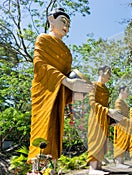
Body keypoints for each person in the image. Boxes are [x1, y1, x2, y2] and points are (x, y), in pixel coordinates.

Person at [28, 8, 92, 165]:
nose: (66, 27)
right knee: (44, 126)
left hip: (59, 94)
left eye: (69, 24)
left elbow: (69, 74)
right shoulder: (43, 39)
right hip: (45, 90)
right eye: (63, 21)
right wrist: (66, 81)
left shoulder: (67, 52)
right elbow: (40, 65)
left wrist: (79, 89)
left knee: (56, 130)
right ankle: (38, 172)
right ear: (51, 19)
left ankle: (52, 169)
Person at [87, 65, 124, 175]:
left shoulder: (106, 90)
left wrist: (111, 119)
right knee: (95, 140)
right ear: (101, 72)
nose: (110, 76)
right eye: (108, 73)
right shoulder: (93, 85)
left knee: (103, 142)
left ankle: (98, 166)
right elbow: (92, 103)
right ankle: (92, 168)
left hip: (104, 118)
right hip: (95, 117)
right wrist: (107, 111)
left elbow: (107, 105)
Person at [113, 86, 132, 168]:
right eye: (127, 91)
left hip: (126, 125)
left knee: (124, 142)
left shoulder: (124, 103)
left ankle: (121, 161)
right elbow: (118, 115)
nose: (128, 93)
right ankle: (118, 162)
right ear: (121, 91)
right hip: (120, 125)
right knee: (120, 142)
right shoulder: (118, 102)